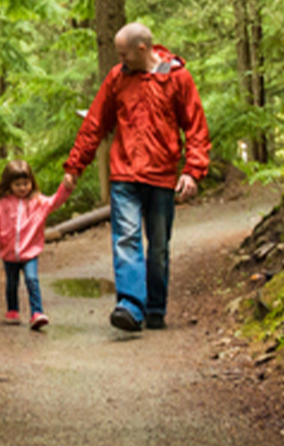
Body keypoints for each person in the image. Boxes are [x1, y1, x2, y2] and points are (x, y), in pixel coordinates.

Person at [55, 22, 212, 333]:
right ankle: (130, 305)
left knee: (158, 248)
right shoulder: (117, 78)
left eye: (124, 53)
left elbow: (196, 128)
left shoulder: (177, 78)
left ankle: (155, 308)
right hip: (125, 174)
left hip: (162, 176)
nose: (120, 58)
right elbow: (95, 124)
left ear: (143, 49)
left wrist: (193, 171)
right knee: (126, 240)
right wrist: (75, 166)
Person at [0, 160, 69, 330]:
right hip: (9, 254)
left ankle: (37, 313)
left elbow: (55, 201)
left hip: (30, 252)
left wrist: (66, 187)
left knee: (32, 279)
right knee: (12, 283)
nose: (22, 188)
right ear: (9, 184)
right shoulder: (1, 205)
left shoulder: (37, 202)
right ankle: (12, 310)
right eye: (17, 184)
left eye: (26, 183)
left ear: (31, 182)